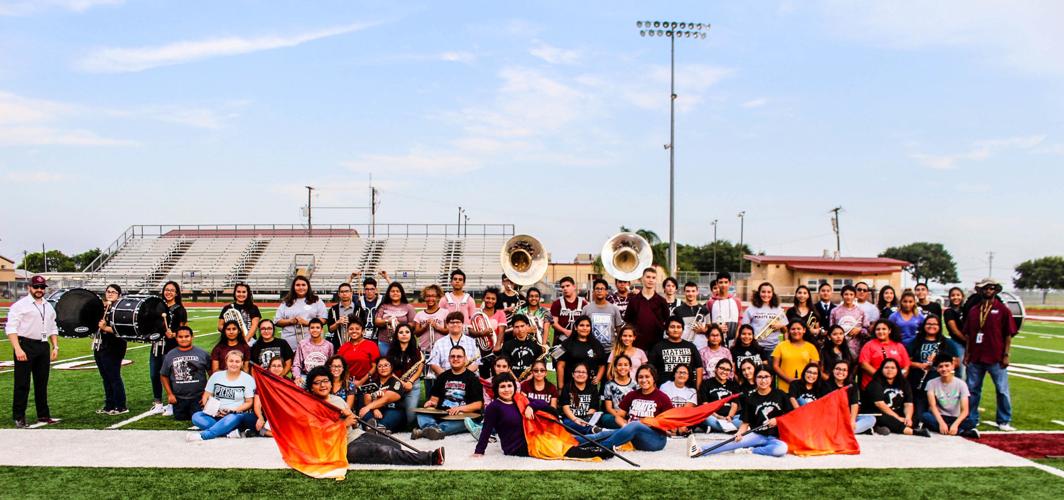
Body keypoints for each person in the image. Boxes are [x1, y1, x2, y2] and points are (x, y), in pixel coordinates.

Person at [306, 365, 445, 466]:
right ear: (311, 387)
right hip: (339, 448)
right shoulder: (311, 407)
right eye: (317, 383)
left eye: (325, 381)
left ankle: (417, 456)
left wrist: (352, 419)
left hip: (355, 435)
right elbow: (318, 435)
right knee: (385, 451)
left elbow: (354, 425)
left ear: (331, 383)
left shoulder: (336, 400)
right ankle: (429, 458)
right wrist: (345, 423)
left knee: (395, 445)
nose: (322, 385)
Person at [473, 373, 610, 459]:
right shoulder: (493, 407)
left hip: (535, 436)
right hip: (517, 446)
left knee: (565, 440)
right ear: (496, 389)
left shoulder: (519, 399)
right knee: (557, 447)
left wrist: (531, 406)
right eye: (502, 387)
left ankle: (601, 447)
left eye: (510, 386)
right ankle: (595, 453)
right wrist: (479, 451)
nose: (507, 389)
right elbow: (486, 430)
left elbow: (543, 404)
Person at [689, 366, 793, 458]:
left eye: (766, 377)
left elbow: (792, 416)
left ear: (771, 378)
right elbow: (745, 422)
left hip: (776, 437)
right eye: (760, 377)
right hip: (758, 434)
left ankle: (752, 450)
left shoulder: (781, 395)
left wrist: (777, 420)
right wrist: (739, 434)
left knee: (781, 449)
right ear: (755, 378)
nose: (763, 380)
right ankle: (701, 450)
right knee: (732, 443)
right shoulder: (750, 398)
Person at [576, 365, 674, 452]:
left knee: (635, 425)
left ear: (654, 378)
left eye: (647, 377)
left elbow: (670, 423)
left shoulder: (662, 397)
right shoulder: (632, 395)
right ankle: (571, 440)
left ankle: (602, 448)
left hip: (655, 440)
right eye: (640, 377)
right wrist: (625, 427)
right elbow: (619, 416)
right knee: (602, 434)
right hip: (633, 435)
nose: (644, 380)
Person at [963, 278, 1017, 432]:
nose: (988, 290)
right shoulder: (974, 311)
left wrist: (1006, 354)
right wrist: (967, 354)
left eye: (991, 288)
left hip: (996, 356)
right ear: (980, 291)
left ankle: (1004, 420)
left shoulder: (1002, 310)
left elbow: (1008, 334)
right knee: (972, 389)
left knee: (1002, 390)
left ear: (995, 290)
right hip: (976, 356)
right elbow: (969, 335)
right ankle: (972, 418)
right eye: (985, 288)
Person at [7, 275, 59, 428]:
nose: (39, 290)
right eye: (36, 287)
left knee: (42, 383)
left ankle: (43, 415)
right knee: (22, 383)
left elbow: (52, 327)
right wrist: (17, 348)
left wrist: (55, 346)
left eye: (42, 287)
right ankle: (19, 416)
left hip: (43, 346)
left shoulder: (48, 306)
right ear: (29, 287)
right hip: (25, 345)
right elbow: (11, 328)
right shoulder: (20, 305)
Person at [414, 346, 484, 440]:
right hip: (442, 414)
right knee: (421, 413)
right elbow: (434, 399)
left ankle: (428, 430)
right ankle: (433, 429)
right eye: (452, 356)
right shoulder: (442, 377)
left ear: (465, 359)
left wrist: (459, 408)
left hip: (461, 416)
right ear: (449, 359)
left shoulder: (473, 378)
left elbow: (478, 405)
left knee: (466, 422)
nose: (455, 359)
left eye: (459, 356)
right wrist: (431, 403)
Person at [187, 350, 256, 441]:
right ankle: (230, 432)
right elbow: (206, 396)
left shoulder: (247, 379)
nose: (234, 364)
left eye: (237, 361)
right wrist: (213, 411)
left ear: (242, 363)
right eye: (231, 361)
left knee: (232, 417)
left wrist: (232, 411)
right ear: (226, 361)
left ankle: (204, 435)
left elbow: (249, 402)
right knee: (196, 416)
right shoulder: (216, 376)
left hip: (236, 414)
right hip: (216, 414)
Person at [863, 358, 929, 437]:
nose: (889, 370)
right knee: (883, 418)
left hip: (896, 411)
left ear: (898, 370)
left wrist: (908, 417)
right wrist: (897, 418)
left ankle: (882, 427)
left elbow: (908, 403)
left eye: (893, 368)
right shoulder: (875, 383)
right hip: (879, 412)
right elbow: (880, 404)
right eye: (886, 368)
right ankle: (912, 431)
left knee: (914, 416)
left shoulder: (904, 383)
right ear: (881, 369)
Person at [907, 315, 956, 416]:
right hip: (918, 381)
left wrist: (939, 365)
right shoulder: (916, 341)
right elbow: (906, 361)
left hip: (939, 382)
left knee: (938, 412)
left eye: (935, 324)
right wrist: (920, 365)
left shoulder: (946, 342)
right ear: (924, 325)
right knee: (918, 415)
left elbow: (956, 362)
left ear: (939, 326)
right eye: (928, 324)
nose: (931, 326)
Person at [151, 280, 188, 415]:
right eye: (167, 290)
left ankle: (172, 404)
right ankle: (158, 403)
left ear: (176, 293)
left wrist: (174, 334)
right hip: (157, 345)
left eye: (172, 290)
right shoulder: (158, 308)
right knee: (154, 375)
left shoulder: (180, 310)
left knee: (171, 376)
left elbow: (184, 329)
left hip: (171, 347)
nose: (169, 292)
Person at [160, 326, 210, 421]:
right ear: (176, 338)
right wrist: (170, 394)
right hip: (179, 398)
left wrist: (207, 393)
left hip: (198, 397)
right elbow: (163, 375)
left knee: (199, 418)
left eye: (187, 336)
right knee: (181, 419)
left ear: (192, 337)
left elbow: (212, 375)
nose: (183, 339)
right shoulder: (170, 355)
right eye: (180, 337)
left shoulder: (202, 354)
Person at [923, 357, 979, 438]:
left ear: (952, 366)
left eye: (947, 366)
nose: (944, 369)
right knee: (925, 416)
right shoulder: (931, 383)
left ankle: (949, 429)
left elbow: (965, 410)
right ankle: (961, 432)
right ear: (937, 369)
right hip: (940, 416)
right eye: (941, 366)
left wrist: (955, 425)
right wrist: (942, 423)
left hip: (955, 417)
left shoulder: (961, 384)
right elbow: (933, 406)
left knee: (972, 421)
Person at [94, 284, 127, 415]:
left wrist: (105, 328)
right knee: (105, 377)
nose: (110, 294)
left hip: (114, 346)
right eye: (108, 291)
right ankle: (109, 405)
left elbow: (122, 329)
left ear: (119, 295)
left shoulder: (120, 309)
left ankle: (121, 405)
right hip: (100, 344)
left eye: (113, 292)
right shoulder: (103, 308)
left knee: (114, 377)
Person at [821, 359, 875, 435]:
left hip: (847, 417)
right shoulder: (825, 385)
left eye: (844, 370)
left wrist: (852, 420)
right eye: (838, 369)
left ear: (848, 373)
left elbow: (854, 404)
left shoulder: (852, 385)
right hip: (831, 418)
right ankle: (852, 431)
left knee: (871, 419)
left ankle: (844, 431)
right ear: (833, 370)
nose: (840, 372)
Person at [274, 275, 327, 351]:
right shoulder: (286, 302)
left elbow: (323, 320)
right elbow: (277, 321)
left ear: (308, 286)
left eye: (303, 285)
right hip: (289, 343)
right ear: (293, 287)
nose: (301, 287)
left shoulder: (316, 300)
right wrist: (290, 321)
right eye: (298, 285)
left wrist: (307, 322)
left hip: (311, 342)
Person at [413, 284, 449, 395]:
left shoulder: (444, 313)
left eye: (433, 296)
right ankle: (429, 399)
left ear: (438, 297)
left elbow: (448, 331)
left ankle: (441, 399)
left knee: (441, 377)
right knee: (428, 379)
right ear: (424, 298)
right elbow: (416, 333)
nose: (430, 299)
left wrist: (436, 326)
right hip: (425, 350)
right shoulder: (419, 314)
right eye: (428, 296)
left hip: (441, 351)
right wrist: (425, 326)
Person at [647, 317, 704, 386]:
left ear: (683, 330)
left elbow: (699, 367)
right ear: (667, 330)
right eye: (672, 327)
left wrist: (698, 388)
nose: (675, 330)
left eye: (679, 327)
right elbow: (650, 368)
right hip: (664, 388)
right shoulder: (658, 347)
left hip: (687, 388)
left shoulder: (690, 346)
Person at [387, 323, 424, 427]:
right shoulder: (391, 351)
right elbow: (389, 370)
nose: (404, 334)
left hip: (412, 386)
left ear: (411, 335)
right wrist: (401, 383)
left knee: (411, 419)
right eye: (401, 332)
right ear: (397, 335)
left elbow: (420, 367)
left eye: (407, 332)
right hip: (395, 384)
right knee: (394, 412)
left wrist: (410, 382)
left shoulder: (416, 351)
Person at [624, 268, 669, 351]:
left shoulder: (661, 301)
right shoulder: (634, 300)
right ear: (642, 279)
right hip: (637, 345)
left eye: (653, 278)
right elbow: (628, 322)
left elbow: (667, 322)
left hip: (657, 345)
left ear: (656, 280)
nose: (651, 280)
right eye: (648, 277)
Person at [556, 316, 607, 389]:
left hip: (589, 387)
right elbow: (560, 366)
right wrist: (561, 387)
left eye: (587, 326)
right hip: (570, 385)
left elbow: (602, 364)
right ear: (576, 327)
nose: (585, 328)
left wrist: (598, 378)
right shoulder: (565, 344)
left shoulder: (597, 344)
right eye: (581, 325)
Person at [858, 320, 911, 389]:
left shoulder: (899, 346)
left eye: (884, 329)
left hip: (895, 385)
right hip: (873, 385)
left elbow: (906, 366)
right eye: (878, 329)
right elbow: (864, 364)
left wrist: (898, 379)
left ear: (889, 331)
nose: (880, 332)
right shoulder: (869, 345)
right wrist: (882, 378)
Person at [359, 357, 407, 432]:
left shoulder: (396, 382)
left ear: (391, 367)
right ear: (377, 369)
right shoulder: (373, 383)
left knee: (392, 414)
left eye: (386, 365)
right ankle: (376, 428)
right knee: (365, 413)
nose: (383, 368)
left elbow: (386, 399)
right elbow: (367, 398)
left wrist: (369, 406)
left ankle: (377, 428)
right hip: (376, 412)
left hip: (393, 410)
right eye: (380, 366)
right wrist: (375, 409)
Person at [772, 320, 821, 392]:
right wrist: (789, 380)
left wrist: (802, 382)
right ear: (789, 331)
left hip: (804, 386)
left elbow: (814, 368)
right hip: (784, 387)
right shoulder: (781, 345)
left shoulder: (811, 347)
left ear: (804, 330)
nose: (796, 331)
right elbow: (775, 366)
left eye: (799, 329)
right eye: (793, 329)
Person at [428, 311, 481, 377]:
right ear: (447, 325)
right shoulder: (439, 343)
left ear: (463, 324)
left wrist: (463, 375)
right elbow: (433, 363)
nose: (455, 324)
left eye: (458, 322)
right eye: (452, 322)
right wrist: (448, 377)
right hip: (446, 380)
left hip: (468, 379)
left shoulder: (472, 342)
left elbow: (476, 363)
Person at [742, 282, 787, 355]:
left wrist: (781, 326)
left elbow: (785, 330)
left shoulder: (778, 309)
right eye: (763, 292)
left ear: (772, 294)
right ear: (759, 293)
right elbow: (744, 328)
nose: (766, 294)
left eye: (769, 292)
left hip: (774, 348)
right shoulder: (750, 309)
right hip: (756, 346)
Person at [698, 358, 742, 433]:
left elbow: (734, 404)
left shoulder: (733, 385)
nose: (724, 372)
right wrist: (718, 416)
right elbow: (705, 405)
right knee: (704, 417)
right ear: (716, 369)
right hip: (713, 416)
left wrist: (730, 416)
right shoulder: (706, 383)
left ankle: (715, 428)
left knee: (744, 418)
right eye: (722, 368)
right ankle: (730, 428)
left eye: (728, 370)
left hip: (730, 418)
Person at [581, 279, 625, 351]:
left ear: (606, 292)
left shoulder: (614, 309)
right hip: (591, 349)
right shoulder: (586, 309)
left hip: (610, 350)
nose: (599, 291)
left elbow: (619, 330)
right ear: (593, 292)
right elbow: (581, 329)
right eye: (597, 289)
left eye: (602, 289)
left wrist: (618, 347)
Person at [375, 281, 416, 356]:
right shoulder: (383, 306)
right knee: (386, 363)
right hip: (385, 341)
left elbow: (413, 324)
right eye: (392, 291)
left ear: (401, 293)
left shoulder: (408, 307)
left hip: (403, 342)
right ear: (388, 293)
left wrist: (400, 326)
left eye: (397, 291)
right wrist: (388, 321)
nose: (395, 293)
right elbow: (377, 321)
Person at [474, 287, 507, 378]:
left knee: (497, 374)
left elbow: (501, 330)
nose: (490, 301)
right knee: (483, 375)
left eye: (493, 299)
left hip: (496, 350)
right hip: (481, 350)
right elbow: (471, 331)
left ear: (496, 300)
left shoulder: (500, 313)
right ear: (483, 298)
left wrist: (498, 345)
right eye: (488, 298)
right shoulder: (478, 314)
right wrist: (481, 333)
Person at [559, 362, 601, 433]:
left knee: (592, 423)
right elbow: (565, 407)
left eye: (584, 372)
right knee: (567, 424)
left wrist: (586, 420)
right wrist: (575, 419)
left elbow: (593, 407)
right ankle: (594, 431)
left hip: (587, 418)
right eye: (578, 372)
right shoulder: (567, 387)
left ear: (587, 375)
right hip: (571, 419)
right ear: (573, 374)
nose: (580, 374)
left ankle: (590, 431)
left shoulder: (592, 388)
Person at [251, 356, 288, 437]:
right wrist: (260, 418)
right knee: (256, 423)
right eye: (273, 366)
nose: (276, 368)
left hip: (285, 414)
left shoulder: (289, 383)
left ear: (284, 368)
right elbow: (257, 405)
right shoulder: (263, 383)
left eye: (279, 366)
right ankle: (280, 435)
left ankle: (278, 434)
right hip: (269, 415)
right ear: (269, 368)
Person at [337, 321, 380, 391]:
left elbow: (375, 366)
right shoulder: (343, 347)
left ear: (363, 331)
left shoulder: (371, 345)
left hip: (367, 383)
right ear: (347, 331)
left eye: (357, 329)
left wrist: (361, 382)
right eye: (351, 329)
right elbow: (341, 367)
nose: (354, 331)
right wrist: (348, 382)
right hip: (348, 384)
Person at [292, 318, 334, 387]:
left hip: (323, 377)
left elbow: (331, 365)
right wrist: (297, 377)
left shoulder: (329, 345)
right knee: (298, 385)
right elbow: (296, 364)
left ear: (322, 330)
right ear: (308, 330)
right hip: (306, 375)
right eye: (312, 328)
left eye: (317, 328)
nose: (315, 330)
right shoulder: (302, 344)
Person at [501, 315, 545, 380]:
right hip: (511, 380)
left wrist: (531, 376)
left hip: (531, 380)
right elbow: (505, 365)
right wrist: (515, 380)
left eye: (522, 326)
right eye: (516, 327)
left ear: (527, 326)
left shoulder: (536, 345)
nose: (520, 329)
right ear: (513, 328)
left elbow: (540, 365)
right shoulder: (507, 345)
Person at [830, 285, 869, 358]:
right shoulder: (835, 311)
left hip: (856, 347)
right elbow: (831, 329)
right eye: (846, 294)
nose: (848, 297)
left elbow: (867, 329)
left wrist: (859, 330)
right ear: (842, 295)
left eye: (851, 294)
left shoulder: (861, 311)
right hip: (839, 347)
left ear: (855, 296)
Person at [550, 276, 589, 346]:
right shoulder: (557, 303)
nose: (565, 288)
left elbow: (587, 323)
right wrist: (565, 331)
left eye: (568, 286)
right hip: (561, 341)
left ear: (574, 286)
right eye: (562, 287)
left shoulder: (583, 303)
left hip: (579, 340)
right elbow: (553, 323)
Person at [601, 354, 636, 429]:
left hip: (632, 415)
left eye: (626, 365)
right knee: (605, 418)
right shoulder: (609, 385)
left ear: (630, 368)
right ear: (615, 368)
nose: (623, 367)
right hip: (615, 415)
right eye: (619, 365)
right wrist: (619, 418)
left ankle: (626, 427)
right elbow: (608, 408)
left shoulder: (636, 384)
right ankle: (627, 427)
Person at [707, 272, 743, 344]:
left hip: (734, 342)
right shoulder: (710, 302)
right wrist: (717, 327)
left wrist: (736, 339)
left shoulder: (737, 301)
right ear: (717, 283)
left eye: (726, 282)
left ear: (730, 283)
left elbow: (740, 322)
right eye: (720, 282)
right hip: (716, 342)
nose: (723, 285)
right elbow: (708, 323)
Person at [674, 281, 710, 349]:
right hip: (683, 346)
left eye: (693, 291)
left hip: (701, 347)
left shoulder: (704, 310)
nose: (690, 294)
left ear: (697, 292)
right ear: (684, 292)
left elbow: (710, 328)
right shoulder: (677, 311)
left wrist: (704, 330)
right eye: (688, 291)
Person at [943, 286, 969, 379]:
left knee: (973, 371)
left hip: (969, 344)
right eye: (953, 295)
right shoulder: (949, 312)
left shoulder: (966, 310)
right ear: (949, 297)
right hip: (958, 343)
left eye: (958, 295)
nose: (955, 297)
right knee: (962, 371)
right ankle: (960, 391)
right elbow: (954, 330)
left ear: (962, 296)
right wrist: (966, 340)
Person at [326, 282, 359, 351]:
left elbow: (362, 328)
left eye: (347, 291)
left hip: (356, 345)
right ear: (339, 294)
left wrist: (352, 322)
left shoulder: (358, 309)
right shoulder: (333, 309)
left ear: (351, 293)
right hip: (338, 345)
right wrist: (338, 323)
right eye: (342, 292)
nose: (344, 294)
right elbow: (330, 329)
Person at [355, 276, 384, 345]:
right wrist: (351, 277)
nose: (369, 291)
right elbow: (345, 294)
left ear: (376, 289)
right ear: (364, 290)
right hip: (362, 336)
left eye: (372, 289)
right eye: (367, 289)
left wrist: (386, 277)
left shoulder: (381, 300)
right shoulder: (359, 300)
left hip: (378, 336)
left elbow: (395, 291)